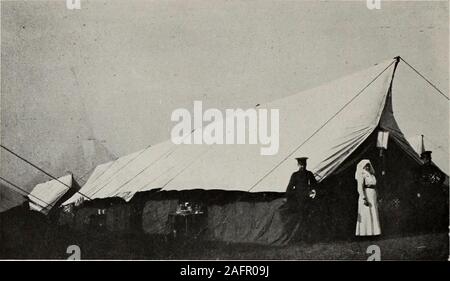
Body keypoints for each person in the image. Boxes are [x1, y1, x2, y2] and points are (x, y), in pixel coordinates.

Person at [285, 157, 318, 241]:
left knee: (305, 218)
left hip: (304, 199)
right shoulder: (298, 174)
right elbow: (290, 188)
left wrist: (311, 191)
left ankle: (304, 238)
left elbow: (314, 185)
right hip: (300, 199)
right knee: (301, 218)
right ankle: (300, 238)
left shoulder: (306, 174)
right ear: (299, 165)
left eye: (304, 164)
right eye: (302, 164)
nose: (303, 166)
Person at [355, 159, 381, 237]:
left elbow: (375, 186)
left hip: (373, 195)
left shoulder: (372, 175)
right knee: (366, 213)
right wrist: (363, 198)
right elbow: (360, 187)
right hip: (366, 194)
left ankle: (373, 232)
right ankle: (365, 233)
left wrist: (378, 195)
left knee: (373, 212)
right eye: (366, 165)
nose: (367, 167)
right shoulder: (362, 174)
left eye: (368, 165)